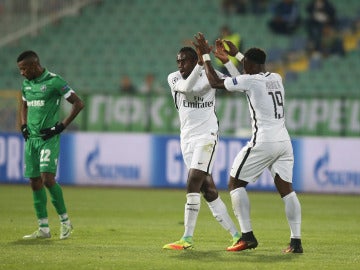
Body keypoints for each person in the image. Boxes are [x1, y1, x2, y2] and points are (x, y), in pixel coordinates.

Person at [193, 32, 303, 253]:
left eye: (245, 65)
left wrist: (205, 56)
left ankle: (247, 236)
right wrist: (233, 57)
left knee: (235, 184)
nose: (243, 68)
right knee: (287, 191)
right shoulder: (275, 78)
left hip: (264, 141)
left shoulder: (250, 79)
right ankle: (296, 241)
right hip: (284, 141)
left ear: (250, 66)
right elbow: (247, 78)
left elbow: (215, 82)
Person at [162, 46, 241, 250]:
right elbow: (188, 88)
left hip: (207, 137)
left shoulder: (209, 75)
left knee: (193, 181)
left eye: (184, 61)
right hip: (186, 139)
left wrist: (226, 62)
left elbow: (239, 83)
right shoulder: (173, 78)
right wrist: (198, 66)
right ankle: (236, 235)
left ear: (195, 60)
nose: (180, 65)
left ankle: (187, 238)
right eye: (178, 61)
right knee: (208, 190)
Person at [17, 50, 85, 240]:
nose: (22, 73)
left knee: (47, 179)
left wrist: (60, 127)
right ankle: (43, 229)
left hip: (49, 138)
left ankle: (65, 222)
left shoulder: (55, 81)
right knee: (34, 181)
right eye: (20, 70)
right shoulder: (26, 84)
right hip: (32, 140)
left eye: (23, 69)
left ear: (34, 65)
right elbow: (23, 104)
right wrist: (23, 125)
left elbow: (78, 103)